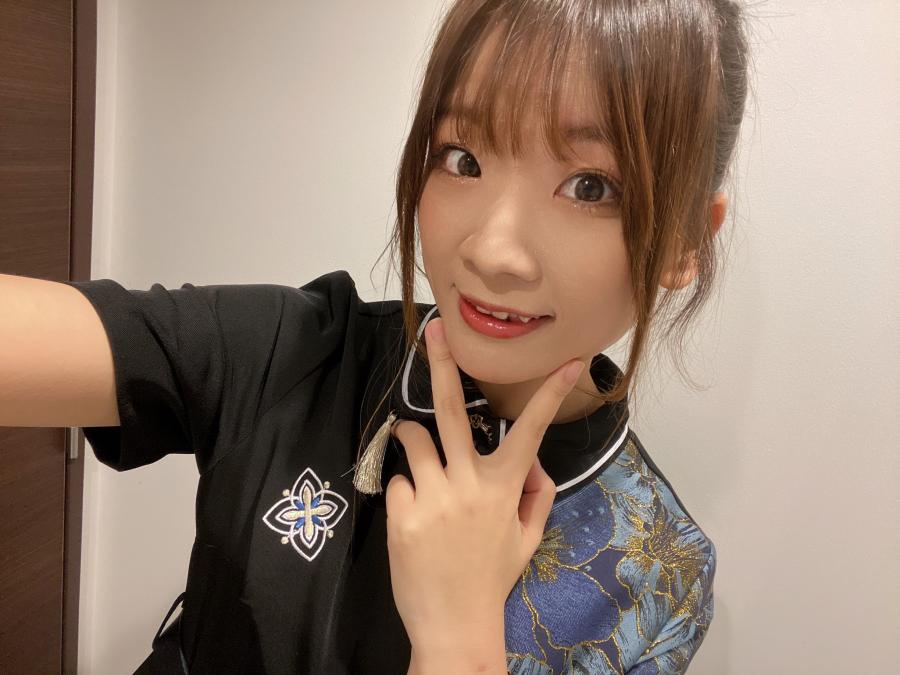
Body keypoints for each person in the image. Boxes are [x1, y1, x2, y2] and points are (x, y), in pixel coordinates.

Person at [1, 0, 750, 672]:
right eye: (463, 157)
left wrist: (457, 639)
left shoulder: (661, 575)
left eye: (591, 186)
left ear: (686, 240)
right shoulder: (297, 351)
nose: (492, 250)